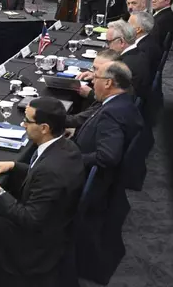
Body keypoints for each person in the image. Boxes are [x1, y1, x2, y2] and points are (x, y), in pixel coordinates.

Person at [0, 97, 85, 287]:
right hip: (57, 221)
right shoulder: (67, 146)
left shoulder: (50, 171)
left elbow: (30, 219)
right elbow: (42, 173)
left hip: (37, 245)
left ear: (44, 128)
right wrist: (14, 166)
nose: (23, 124)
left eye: (28, 121)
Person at [73, 61, 143, 285]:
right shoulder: (123, 102)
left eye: (96, 75)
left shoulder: (111, 113)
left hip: (90, 186)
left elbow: (107, 157)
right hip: (106, 186)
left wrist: (71, 158)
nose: (92, 79)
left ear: (109, 82)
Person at [67, 49, 122, 130]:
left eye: (98, 69)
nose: (93, 77)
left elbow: (77, 120)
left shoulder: (109, 100)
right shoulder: (118, 85)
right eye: (94, 68)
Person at [104, 19, 151, 100]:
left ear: (122, 42)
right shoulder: (138, 54)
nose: (107, 47)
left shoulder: (124, 65)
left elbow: (112, 97)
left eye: (109, 42)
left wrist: (89, 93)